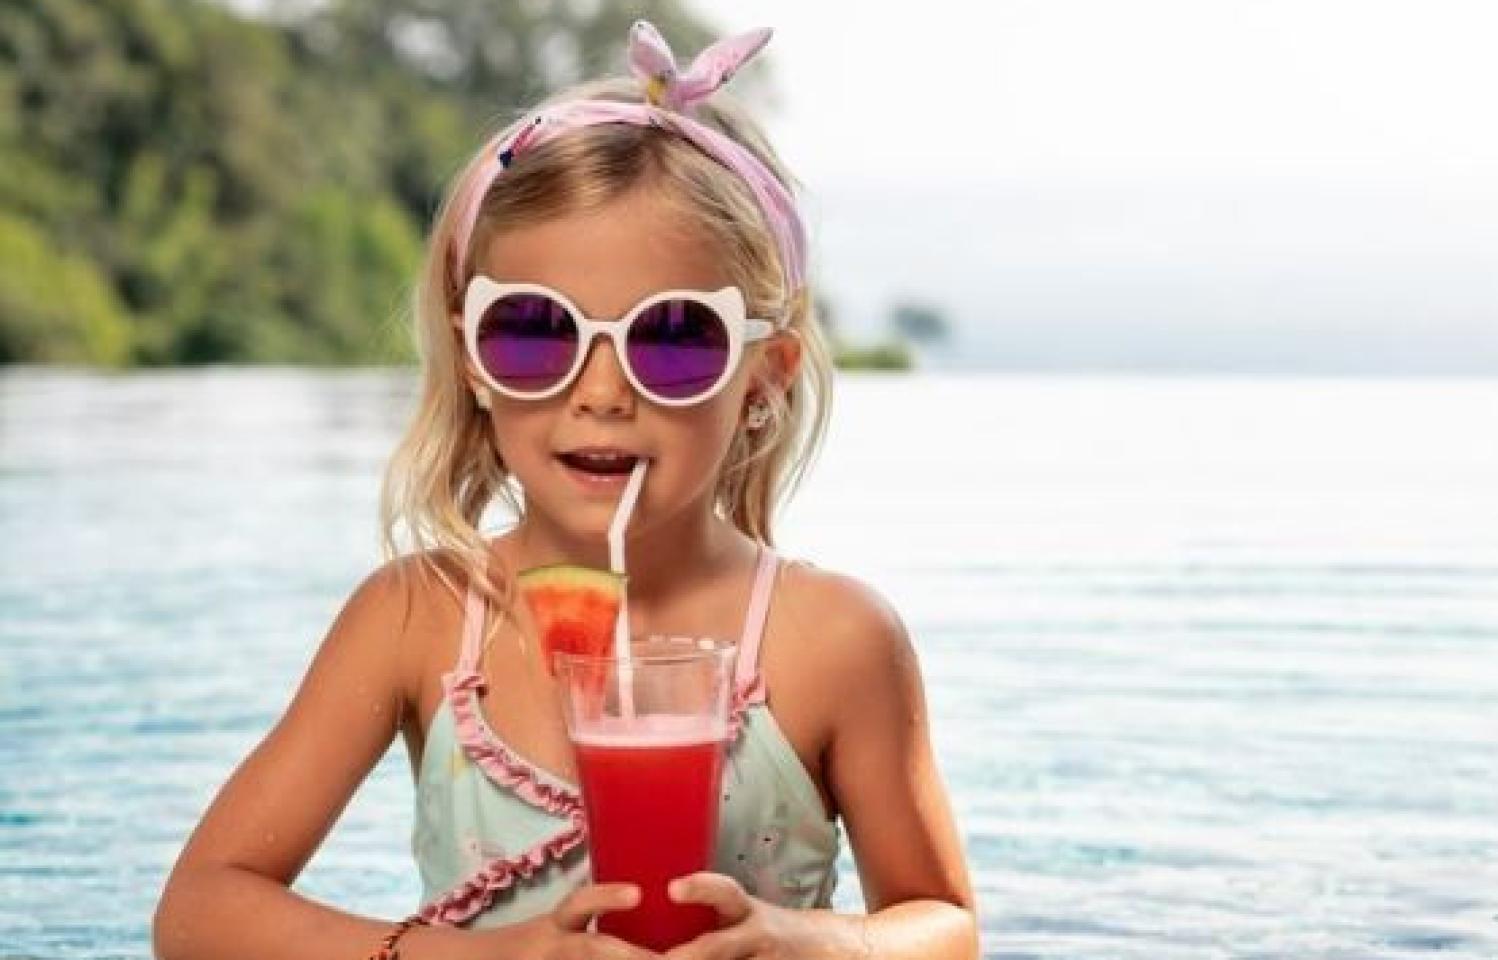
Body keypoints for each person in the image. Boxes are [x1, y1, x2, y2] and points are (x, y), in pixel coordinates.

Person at [153, 19, 978, 960]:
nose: (599, 393)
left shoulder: (834, 641)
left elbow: (947, 926)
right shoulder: (421, 619)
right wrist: (486, 956)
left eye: (672, 338)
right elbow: (201, 914)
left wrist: (813, 943)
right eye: (535, 333)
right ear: (471, 359)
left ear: (766, 376)